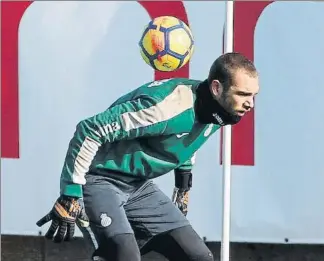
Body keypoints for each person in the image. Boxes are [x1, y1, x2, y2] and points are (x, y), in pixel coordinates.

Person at [36, 52, 260, 261]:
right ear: (217, 88)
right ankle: (92, 219)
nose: (250, 103)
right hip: (98, 179)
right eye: (243, 94)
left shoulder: (219, 110)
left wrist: (182, 189)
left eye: (253, 95)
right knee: (124, 255)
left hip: (138, 187)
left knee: (197, 256)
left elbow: (188, 142)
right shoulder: (165, 109)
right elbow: (89, 129)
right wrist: (70, 192)